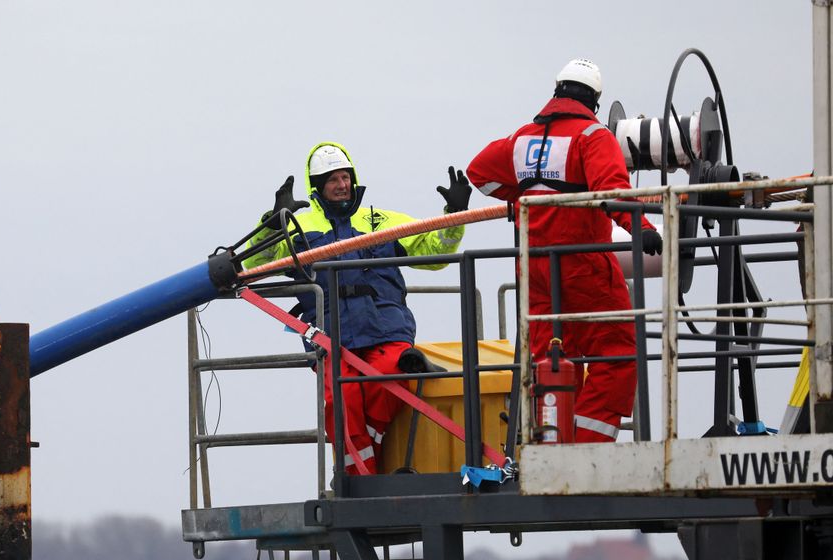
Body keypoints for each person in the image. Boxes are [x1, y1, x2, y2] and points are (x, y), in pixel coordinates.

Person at [466, 58, 662, 443]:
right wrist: (641, 228)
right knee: (617, 355)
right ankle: (588, 450)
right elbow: (612, 191)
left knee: (549, 361)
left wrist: (520, 198)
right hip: (583, 265)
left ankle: (551, 448)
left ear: (557, 91)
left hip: (535, 273)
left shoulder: (521, 139)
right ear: (595, 100)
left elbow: (479, 173)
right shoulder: (592, 136)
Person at [243, 142, 470, 474]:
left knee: (390, 378)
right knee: (341, 402)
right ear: (317, 186)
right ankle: (357, 482)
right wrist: (271, 225)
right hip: (330, 336)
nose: (341, 184)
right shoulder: (298, 228)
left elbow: (434, 250)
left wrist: (455, 215)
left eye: (345, 176)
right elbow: (252, 263)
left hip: (387, 328)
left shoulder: (382, 220)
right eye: (332, 179)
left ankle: (367, 467)